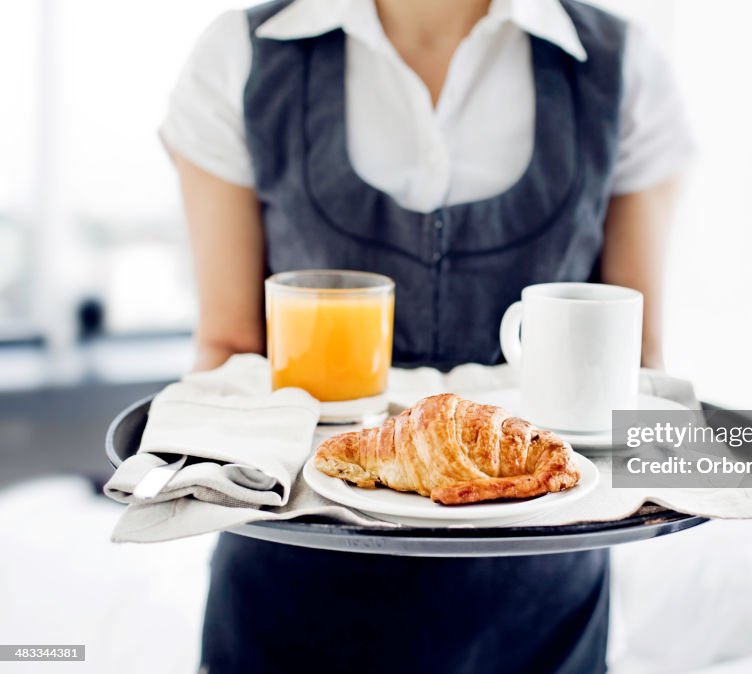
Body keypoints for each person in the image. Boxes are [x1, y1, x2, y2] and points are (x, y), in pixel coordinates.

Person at [162, 0, 692, 671]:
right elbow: (229, 352)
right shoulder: (242, 53)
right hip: (290, 599)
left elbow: (635, 363)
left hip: (542, 611)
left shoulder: (621, 67)